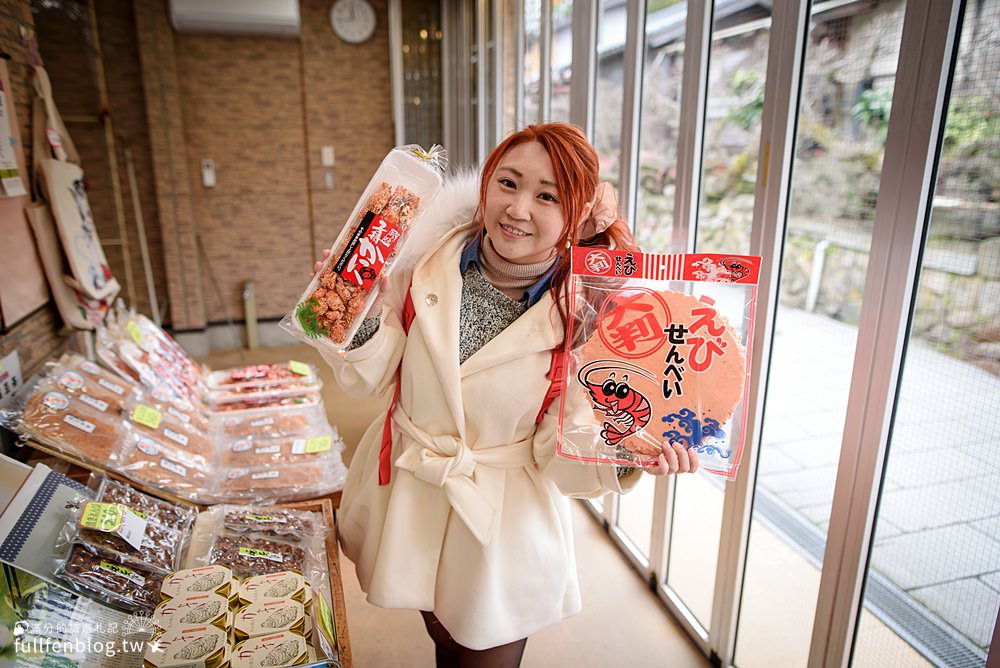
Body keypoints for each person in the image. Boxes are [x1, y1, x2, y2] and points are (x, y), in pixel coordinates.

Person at [316, 122, 699, 667]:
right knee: (444, 639)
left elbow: (560, 444)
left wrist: (626, 450)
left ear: (576, 216)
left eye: (547, 196)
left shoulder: (585, 318)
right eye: (508, 183)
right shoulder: (423, 258)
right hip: (412, 496)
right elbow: (374, 377)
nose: (518, 209)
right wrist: (351, 314)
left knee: (483, 648)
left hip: (500, 525)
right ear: (485, 185)